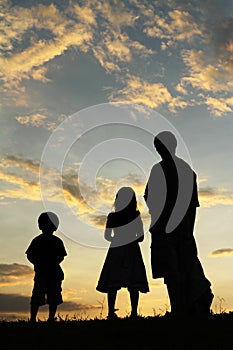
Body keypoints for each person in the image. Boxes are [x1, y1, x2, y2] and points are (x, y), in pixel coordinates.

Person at [144, 131, 213, 318]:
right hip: (175, 228)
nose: (158, 151)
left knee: (177, 269)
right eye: (157, 148)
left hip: (170, 229)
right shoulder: (186, 171)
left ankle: (183, 308)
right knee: (176, 269)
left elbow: (151, 198)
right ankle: (181, 309)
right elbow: (192, 206)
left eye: (159, 147)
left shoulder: (163, 170)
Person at [96, 187, 149, 319]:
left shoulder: (113, 216)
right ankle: (134, 313)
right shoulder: (136, 216)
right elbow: (141, 237)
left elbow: (107, 236)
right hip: (132, 250)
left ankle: (110, 313)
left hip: (116, 249)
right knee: (133, 282)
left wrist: (117, 240)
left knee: (113, 282)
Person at [25, 211, 67, 323]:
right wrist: (37, 263)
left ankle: (49, 318)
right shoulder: (38, 240)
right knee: (38, 295)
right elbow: (30, 255)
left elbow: (62, 256)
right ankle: (34, 318)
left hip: (52, 272)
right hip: (43, 272)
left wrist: (52, 263)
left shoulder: (55, 241)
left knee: (53, 295)